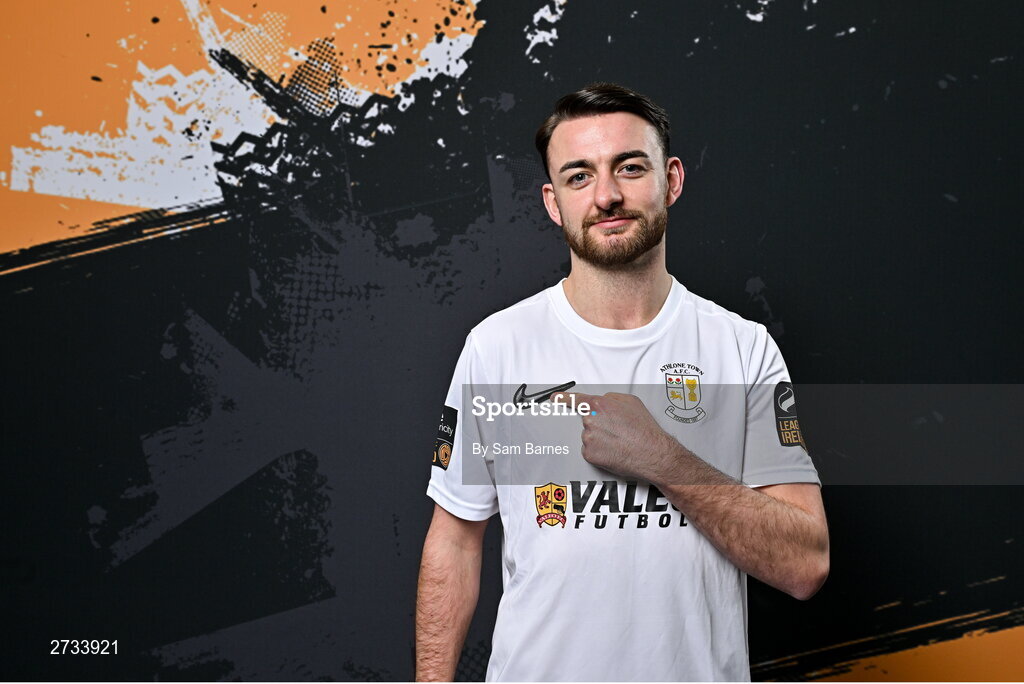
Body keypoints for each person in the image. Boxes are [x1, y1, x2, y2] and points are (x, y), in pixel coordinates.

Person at [416, 83, 829, 682]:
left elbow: (805, 565)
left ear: (673, 180)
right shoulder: (497, 349)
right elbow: (453, 544)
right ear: (553, 202)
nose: (606, 195)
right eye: (578, 176)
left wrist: (665, 459)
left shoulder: (740, 350)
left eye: (629, 168)